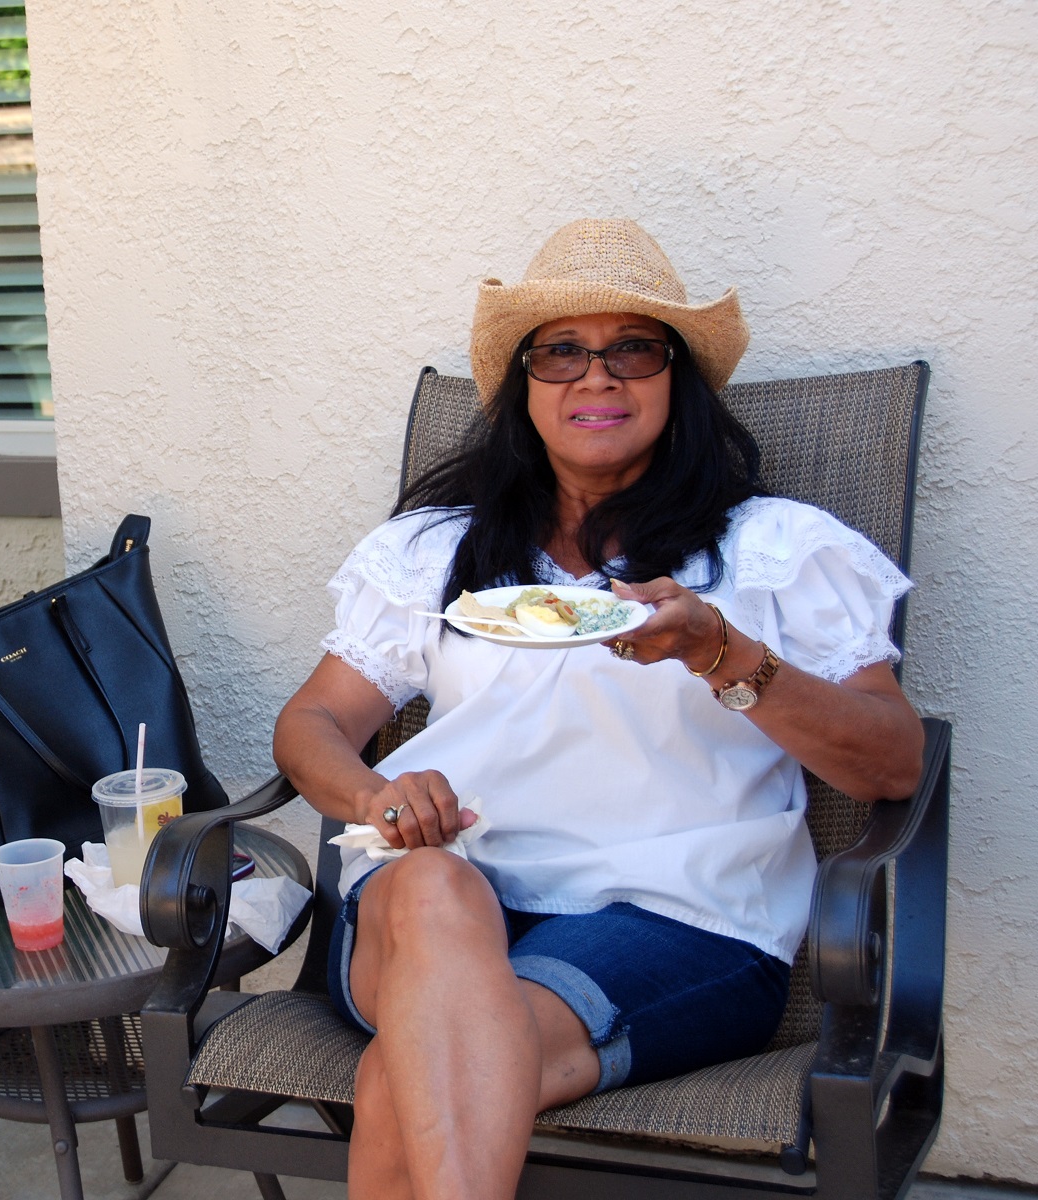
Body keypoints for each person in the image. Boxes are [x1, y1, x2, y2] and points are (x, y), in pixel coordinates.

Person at [273, 219, 924, 1200]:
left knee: (412, 1074)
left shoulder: (774, 552)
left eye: (634, 349)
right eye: (562, 352)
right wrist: (375, 796)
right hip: (439, 892)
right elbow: (311, 724)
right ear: (525, 386)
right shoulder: (437, 552)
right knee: (433, 887)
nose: (597, 376)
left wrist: (721, 652)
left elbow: (893, 764)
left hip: (673, 912)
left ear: (678, 380)